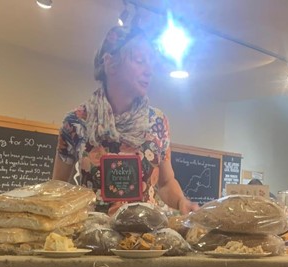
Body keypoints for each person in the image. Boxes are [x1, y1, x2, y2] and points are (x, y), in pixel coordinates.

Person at [52, 24, 198, 215]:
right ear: (110, 64)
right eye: (139, 60)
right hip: (93, 238)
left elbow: (166, 183)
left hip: (147, 239)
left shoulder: (157, 122)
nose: (149, 70)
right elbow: (58, 187)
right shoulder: (76, 122)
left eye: (150, 62)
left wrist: (181, 202)